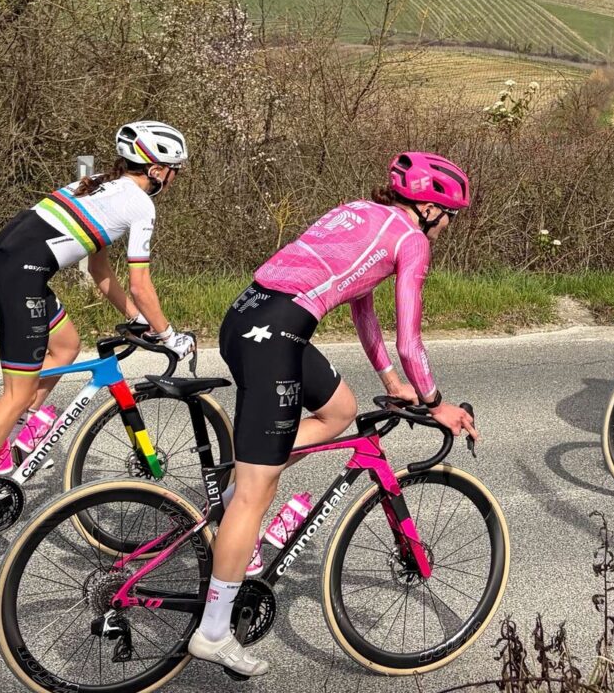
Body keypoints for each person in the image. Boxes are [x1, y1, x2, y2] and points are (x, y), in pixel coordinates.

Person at [186, 152, 480, 677]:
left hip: (249, 316)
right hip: (277, 335)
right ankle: (212, 632)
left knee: (339, 409)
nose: (448, 227)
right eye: (450, 217)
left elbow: (361, 305)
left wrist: (390, 382)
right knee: (257, 492)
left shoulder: (361, 211)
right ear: (430, 208)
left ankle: (240, 484)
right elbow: (410, 341)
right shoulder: (411, 240)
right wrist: (437, 403)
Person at [0, 121, 196, 543]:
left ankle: (10, 442)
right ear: (157, 170)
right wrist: (169, 336)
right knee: (16, 394)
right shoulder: (140, 205)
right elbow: (141, 285)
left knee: (66, 345)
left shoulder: (97, 183)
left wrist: (136, 317)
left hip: (10, 270)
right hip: (20, 279)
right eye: (175, 171)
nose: (175, 179)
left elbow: (98, 267)